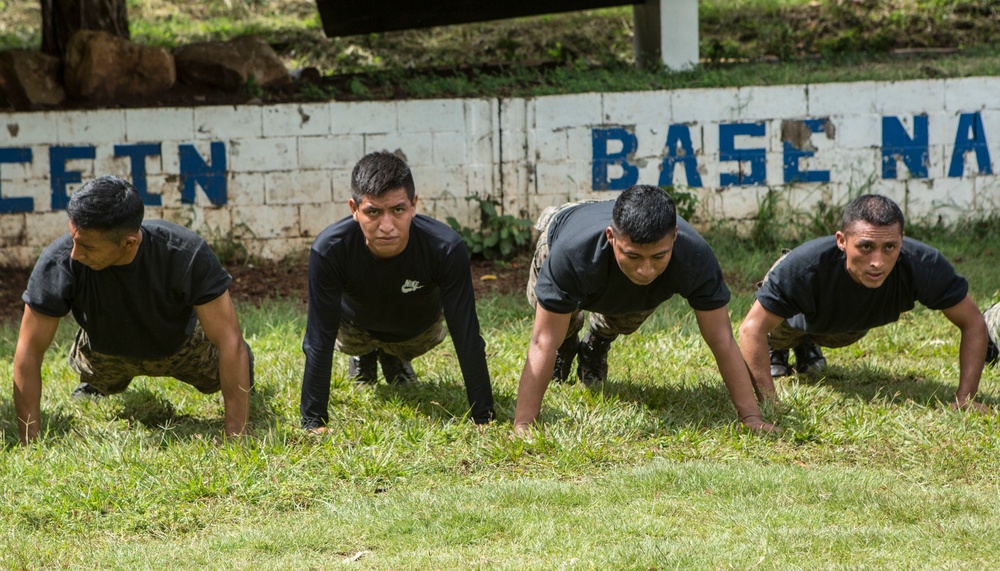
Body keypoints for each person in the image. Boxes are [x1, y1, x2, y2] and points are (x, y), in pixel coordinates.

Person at [512, 184, 775, 433]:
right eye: (633, 256)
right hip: (567, 227)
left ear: (674, 237)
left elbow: (722, 338)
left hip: (610, 240)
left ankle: (596, 345)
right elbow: (542, 341)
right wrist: (523, 425)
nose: (646, 270)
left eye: (659, 256)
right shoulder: (571, 254)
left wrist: (751, 417)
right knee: (559, 324)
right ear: (611, 237)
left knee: (625, 317)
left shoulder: (695, 256)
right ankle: (568, 345)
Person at [13, 176, 253, 445]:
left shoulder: (185, 252)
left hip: (182, 349)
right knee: (94, 376)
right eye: (74, 239)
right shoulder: (59, 260)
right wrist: (29, 442)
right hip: (102, 356)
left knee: (230, 364)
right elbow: (29, 350)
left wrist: (236, 436)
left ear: (128, 243)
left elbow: (229, 341)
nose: (75, 254)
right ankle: (98, 385)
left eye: (88, 247)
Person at [738, 193, 991, 412]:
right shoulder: (804, 268)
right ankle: (781, 349)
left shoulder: (923, 264)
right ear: (841, 241)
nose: (877, 262)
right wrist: (770, 404)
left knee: (842, 334)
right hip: (788, 322)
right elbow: (751, 329)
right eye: (866, 247)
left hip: (845, 328)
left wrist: (966, 398)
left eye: (890, 247)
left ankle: (807, 345)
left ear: (902, 239)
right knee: (776, 331)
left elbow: (973, 323)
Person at [300, 151, 495, 429]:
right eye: (373, 212)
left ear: (414, 205)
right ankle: (363, 354)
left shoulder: (445, 248)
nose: (387, 226)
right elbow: (318, 338)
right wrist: (312, 422)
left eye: (398, 210)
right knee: (344, 335)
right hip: (354, 327)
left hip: (416, 330)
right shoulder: (330, 250)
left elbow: (467, 335)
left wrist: (483, 417)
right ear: (354, 209)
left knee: (427, 333)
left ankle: (394, 355)